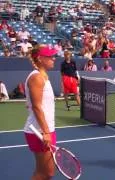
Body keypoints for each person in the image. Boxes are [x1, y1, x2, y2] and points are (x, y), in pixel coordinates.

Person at [23, 45, 58, 180]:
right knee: (46, 173)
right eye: (50, 57)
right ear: (40, 59)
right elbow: (37, 107)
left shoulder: (43, 77)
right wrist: (46, 132)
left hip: (46, 130)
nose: (53, 59)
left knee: (45, 173)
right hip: (40, 132)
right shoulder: (36, 78)